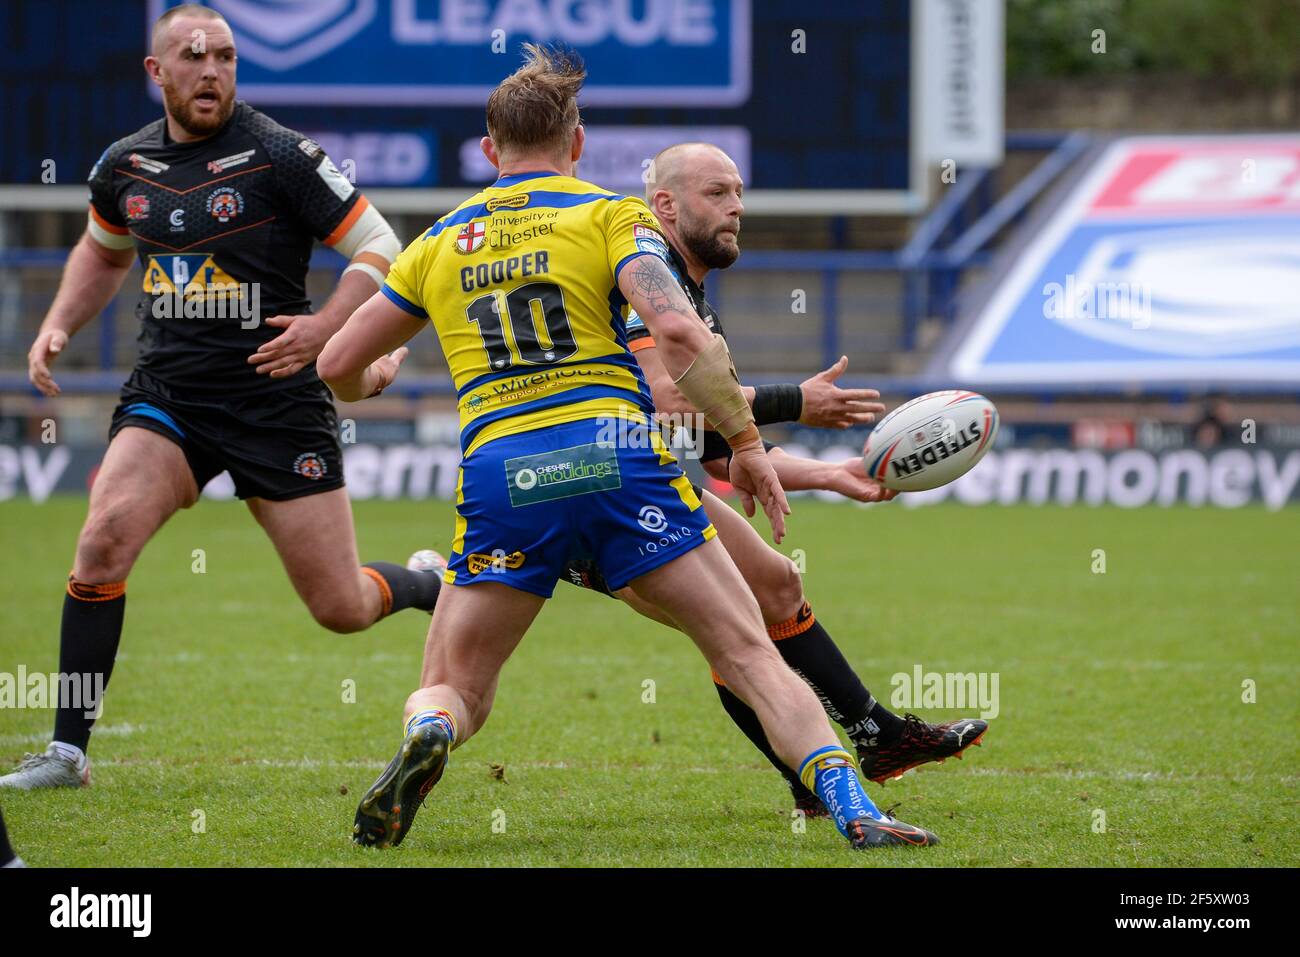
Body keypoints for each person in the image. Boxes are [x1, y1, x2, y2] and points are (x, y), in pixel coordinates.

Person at [318, 44, 939, 850]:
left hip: (506, 472)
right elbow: (679, 332)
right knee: (749, 649)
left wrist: (381, 373)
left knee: (453, 684)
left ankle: (429, 731)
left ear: (487, 147)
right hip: (617, 456)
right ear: (576, 143)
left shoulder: (439, 241)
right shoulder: (612, 216)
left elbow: (334, 364)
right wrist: (747, 443)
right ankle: (855, 807)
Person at [1, 4, 440, 792]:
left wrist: (324, 328)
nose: (212, 70)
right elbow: (103, 253)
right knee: (102, 540)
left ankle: (426, 582)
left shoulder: (281, 155)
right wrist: (58, 325)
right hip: (170, 398)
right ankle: (67, 753)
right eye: (194, 56)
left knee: (340, 606)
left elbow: (381, 245)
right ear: (156, 71)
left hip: (277, 403)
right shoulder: (123, 166)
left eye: (227, 57)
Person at [562, 143, 987, 816]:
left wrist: (837, 473)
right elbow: (673, 401)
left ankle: (848, 756)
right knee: (737, 624)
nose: (735, 207)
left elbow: (714, 448)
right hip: (588, 488)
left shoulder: (690, 296)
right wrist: (796, 400)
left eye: (738, 193)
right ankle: (862, 746)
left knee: (771, 591)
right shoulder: (645, 275)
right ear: (665, 205)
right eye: (717, 193)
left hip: (626, 477)